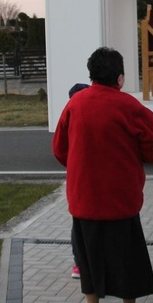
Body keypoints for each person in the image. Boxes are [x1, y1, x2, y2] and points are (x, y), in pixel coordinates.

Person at [52, 47, 153, 303]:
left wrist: (80, 165)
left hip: (84, 198)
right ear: (120, 78)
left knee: (88, 257)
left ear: (91, 75)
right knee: (127, 258)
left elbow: (60, 149)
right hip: (121, 200)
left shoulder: (75, 104)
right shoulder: (131, 107)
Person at [66, 83, 89, 281]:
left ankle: (79, 264)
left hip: (78, 185)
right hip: (93, 185)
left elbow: (60, 150)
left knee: (79, 226)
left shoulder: (70, 117)